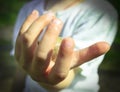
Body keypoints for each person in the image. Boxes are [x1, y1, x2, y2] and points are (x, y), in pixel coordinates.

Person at [11, 0, 118, 92]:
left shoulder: (100, 11)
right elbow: (21, 65)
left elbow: (70, 72)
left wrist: (50, 76)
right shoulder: (29, 9)